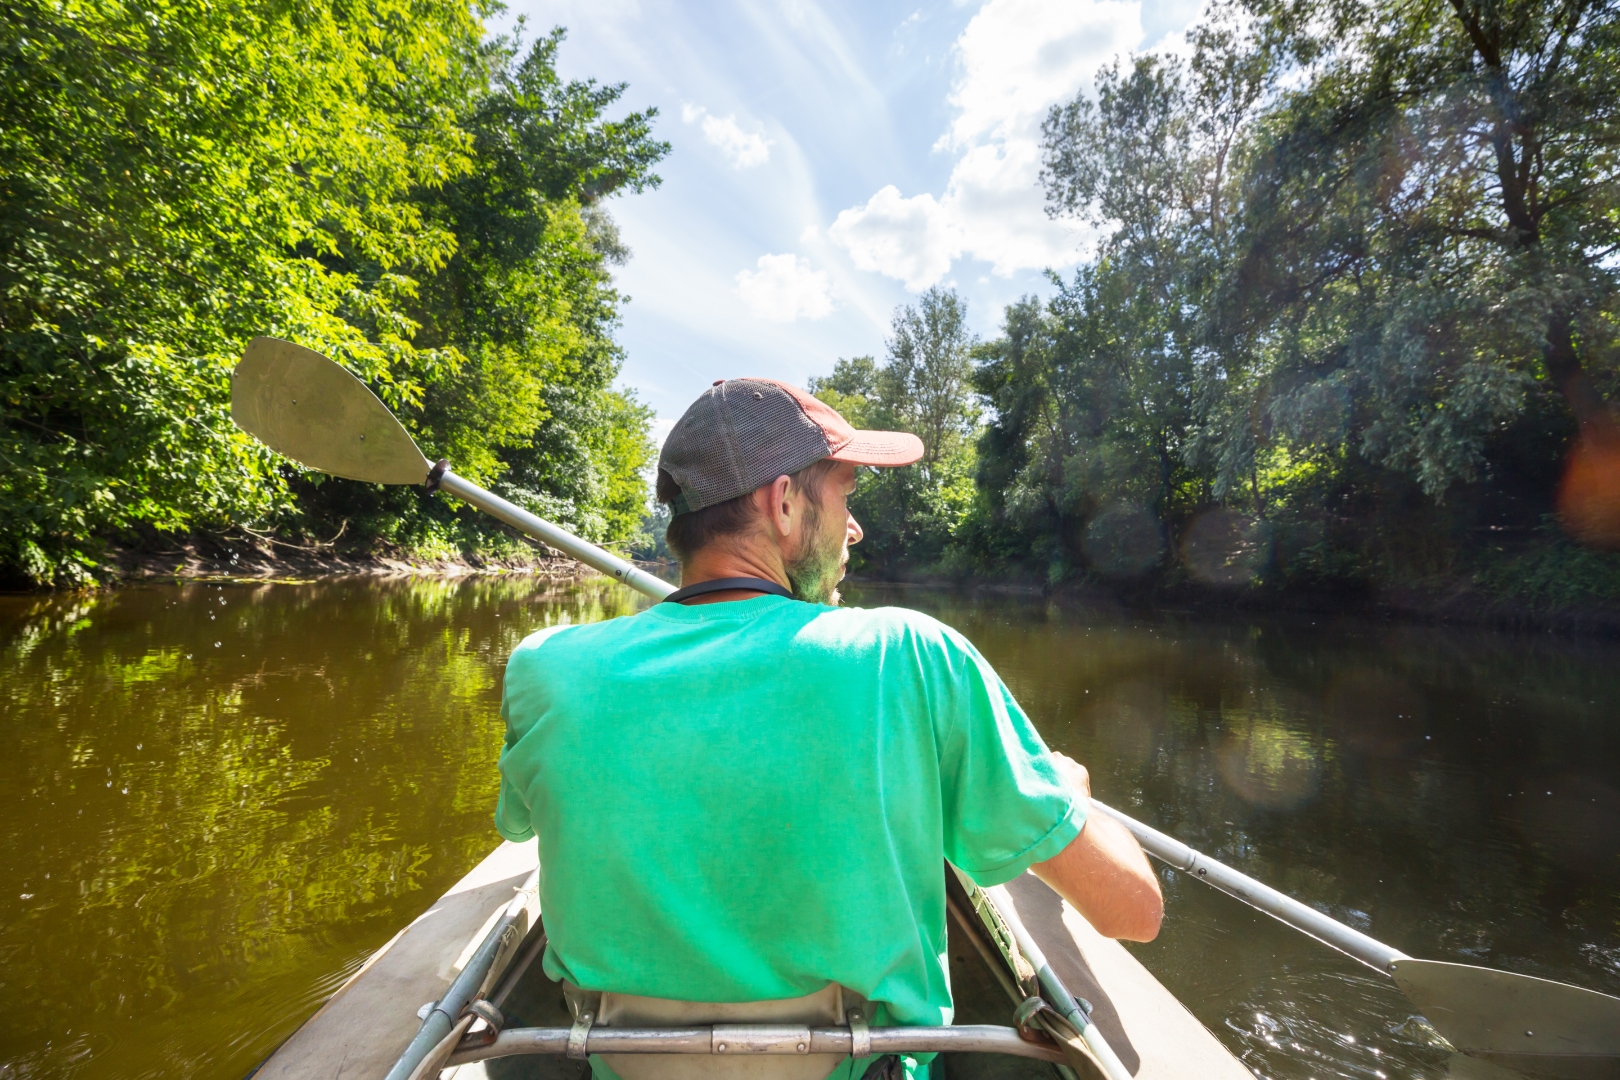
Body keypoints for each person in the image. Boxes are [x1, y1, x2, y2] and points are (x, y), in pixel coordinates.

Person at [494, 378, 1162, 1080]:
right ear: (782, 503)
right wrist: (1068, 794)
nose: (855, 528)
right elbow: (1132, 912)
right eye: (845, 494)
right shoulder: (911, 655)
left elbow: (521, 828)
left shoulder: (547, 669)